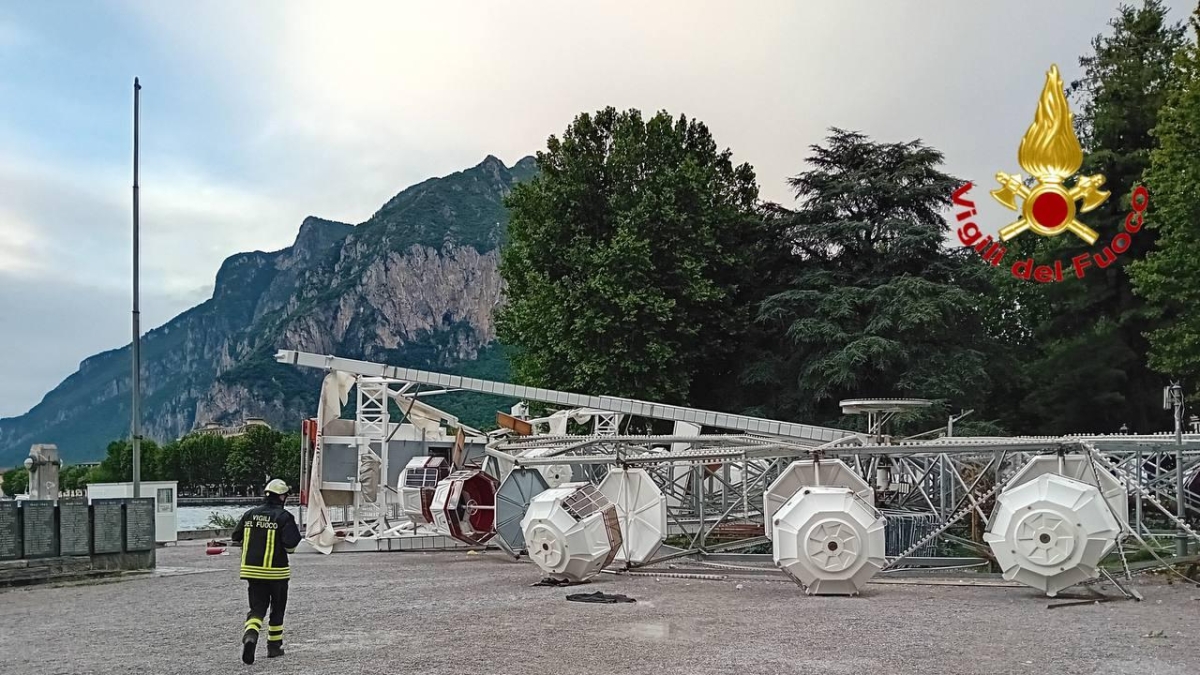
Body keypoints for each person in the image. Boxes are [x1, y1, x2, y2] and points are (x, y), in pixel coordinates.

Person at [231, 478, 303, 664]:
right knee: (277, 609)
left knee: (257, 608)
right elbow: (291, 544)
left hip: (252, 572)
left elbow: (236, 536)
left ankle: (251, 634)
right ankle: (274, 646)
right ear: (281, 496)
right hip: (276, 572)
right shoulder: (284, 517)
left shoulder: (249, 514)